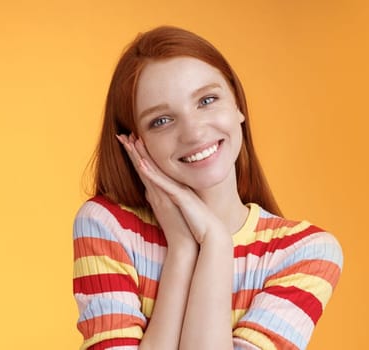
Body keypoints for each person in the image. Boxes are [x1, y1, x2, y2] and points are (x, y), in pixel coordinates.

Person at [72, 25, 343, 350]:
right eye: (161, 120)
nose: (194, 132)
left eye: (207, 100)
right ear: (134, 142)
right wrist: (183, 250)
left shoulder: (305, 253)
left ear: (237, 105)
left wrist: (215, 243)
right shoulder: (107, 225)